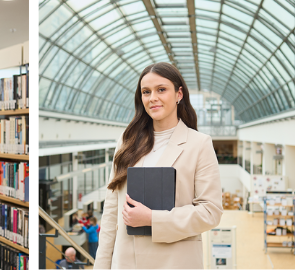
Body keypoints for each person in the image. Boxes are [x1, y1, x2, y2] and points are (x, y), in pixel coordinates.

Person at [94, 62, 222, 268]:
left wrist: (152, 218)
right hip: (127, 262)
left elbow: (210, 212)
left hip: (174, 262)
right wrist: (101, 266)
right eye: (146, 92)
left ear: (179, 94)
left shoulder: (199, 144)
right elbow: (111, 212)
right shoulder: (127, 142)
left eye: (161, 90)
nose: (152, 97)